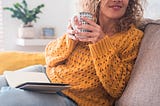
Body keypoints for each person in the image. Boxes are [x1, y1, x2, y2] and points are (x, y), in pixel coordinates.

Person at [0, 0, 144, 106]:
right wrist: (68, 38)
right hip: (45, 76)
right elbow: (50, 58)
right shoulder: (85, 22)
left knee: (5, 97)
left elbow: (117, 88)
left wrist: (101, 43)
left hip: (72, 99)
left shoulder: (132, 37)